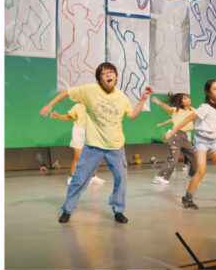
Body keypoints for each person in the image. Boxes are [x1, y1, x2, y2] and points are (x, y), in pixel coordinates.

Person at [40, 62, 151, 224]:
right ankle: (67, 209)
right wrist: (49, 105)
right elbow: (67, 92)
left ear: (116, 77)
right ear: (99, 79)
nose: (108, 75)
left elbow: (132, 115)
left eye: (111, 72)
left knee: (121, 179)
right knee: (79, 179)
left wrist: (142, 99)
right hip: (93, 146)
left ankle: (118, 210)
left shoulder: (121, 97)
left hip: (115, 146)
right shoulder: (90, 90)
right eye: (103, 74)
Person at [162, 79, 216, 209]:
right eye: (215, 89)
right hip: (201, 141)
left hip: (213, 142)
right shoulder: (204, 108)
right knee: (201, 171)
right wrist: (171, 133)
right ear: (207, 92)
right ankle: (187, 198)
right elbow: (187, 119)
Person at [47, 103, 106, 187]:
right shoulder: (77, 106)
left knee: (93, 156)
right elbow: (68, 117)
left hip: (92, 131)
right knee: (78, 156)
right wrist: (58, 116)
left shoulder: (95, 105)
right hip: (79, 131)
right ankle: (71, 177)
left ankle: (92, 176)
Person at [150, 93, 196, 184]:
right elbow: (168, 108)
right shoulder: (176, 110)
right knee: (173, 159)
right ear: (181, 103)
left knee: (194, 157)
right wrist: (159, 103)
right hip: (176, 136)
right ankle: (160, 177)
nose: (188, 99)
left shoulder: (192, 110)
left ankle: (191, 175)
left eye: (188, 98)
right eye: (185, 99)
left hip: (185, 137)